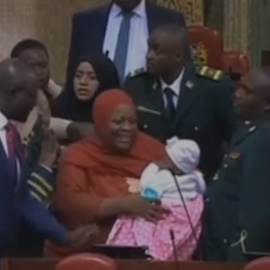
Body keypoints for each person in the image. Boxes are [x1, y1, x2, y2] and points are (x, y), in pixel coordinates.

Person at [45, 89, 166, 257]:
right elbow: (70, 203)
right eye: (118, 122)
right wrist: (127, 204)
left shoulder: (152, 150)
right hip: (86, 252)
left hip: (144, 253)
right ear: (100, 123)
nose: (127, 128)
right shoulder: (79, 154)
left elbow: (183, 184)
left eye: (132, 122)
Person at [0, 58, 98, 256]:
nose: (36, 103)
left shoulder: (11, 137)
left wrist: (65, 236)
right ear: (12, 93)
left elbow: (23, 200)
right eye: (32, 95)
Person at [124, 24, 236, 182]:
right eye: (148, 49)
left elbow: (235, 139)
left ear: (177, 56)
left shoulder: (212, 89)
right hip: (150, 184)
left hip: (203, 183)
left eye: (156, 51)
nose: (148, 56)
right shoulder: (136, 86)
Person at [202, 67, 270, 262]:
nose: (237, 94)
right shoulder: (247, 131)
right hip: (217, 245)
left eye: (247, 91)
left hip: (234, 255)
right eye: (239, 87)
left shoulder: (264, 139)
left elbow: (256, 210)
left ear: (266, 104)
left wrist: (239, 255)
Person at [107, 137, 205, 260]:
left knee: (136, 221)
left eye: (167, 159)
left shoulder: (165, 178)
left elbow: (146, 186)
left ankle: (151, 251)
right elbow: (200, 191)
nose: (163, 160)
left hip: (166, 210)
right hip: (184, 212)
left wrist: (153, 166)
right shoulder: (195, 178)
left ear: (177, 167)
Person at [66, 0, 187, 85]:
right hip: (94, 113)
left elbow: (184, 72)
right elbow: (73, 73)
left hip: (152, 112)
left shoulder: (170, 19)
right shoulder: (85, 22)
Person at [10, 39, 92, 141]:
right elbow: (32, 124)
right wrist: (71, 127)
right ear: (14, 68)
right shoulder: (9, 97)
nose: (38, 72)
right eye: (30, 66)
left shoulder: (53, 93)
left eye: (43, 65)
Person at [52, 53, 120, 122]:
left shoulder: (116, 115)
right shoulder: (60, 106)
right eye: (78, 76)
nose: (83, 82)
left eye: (92, 77)